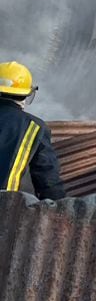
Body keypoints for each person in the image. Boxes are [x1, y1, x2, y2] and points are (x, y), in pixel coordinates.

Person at [0, 61, 64, 200]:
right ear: (26, 95)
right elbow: (48, 183)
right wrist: (59, 215)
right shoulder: (34, 127)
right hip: (5, 211)